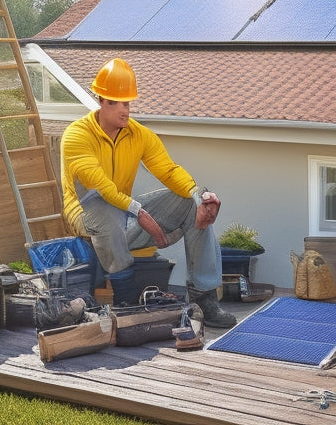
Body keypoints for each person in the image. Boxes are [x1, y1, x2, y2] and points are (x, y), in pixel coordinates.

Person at [60, 58, 236, 328]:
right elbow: (99, 186)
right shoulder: (76, 136)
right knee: (105, 210)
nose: (125, 110)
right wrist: (137, 211)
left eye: (128, 103)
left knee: (189, 204)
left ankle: (204, 298)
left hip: (125, 216)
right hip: (86, 220)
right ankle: (126, 300)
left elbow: (168, 170)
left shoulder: (139, 135)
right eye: (118, 103)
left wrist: (199, 196)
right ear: (101, 100)